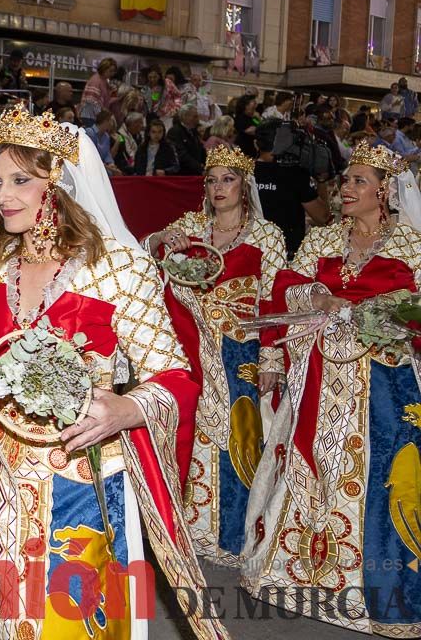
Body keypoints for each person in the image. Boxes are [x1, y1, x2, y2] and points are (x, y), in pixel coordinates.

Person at [0, 107, 227, 640]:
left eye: (20, 181)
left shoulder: (118, 266)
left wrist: (128, 407)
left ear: (61, 184)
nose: (2, 194)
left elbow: (174, 374)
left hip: (83, 477)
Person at [242, 142, 421, 635]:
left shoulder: (411, 245)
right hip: (317, 376)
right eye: (345, 181)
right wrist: (315, 295)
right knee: (308, 467)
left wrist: (368, 313)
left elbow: (416, 312)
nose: (345, 189)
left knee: (375, 474)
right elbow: (283, 289)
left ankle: (374, 590)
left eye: (358, 181)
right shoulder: (322, 239)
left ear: (384, 191)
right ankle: (299, 576)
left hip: (380, 384)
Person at [143, 147, 286, 565]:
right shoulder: (190, 227)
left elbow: (273, 300)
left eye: (228, 179)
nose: (218, 187)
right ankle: (183, 524)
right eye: (211, 180)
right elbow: (148, 248)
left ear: (245, 185)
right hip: (189, 344)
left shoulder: (267, 235)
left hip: (239, 347)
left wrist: (271, 358)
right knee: (185, 428)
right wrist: (160, 240)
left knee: (237, 433)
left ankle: (230, 533)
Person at [253, 120, 329, 258]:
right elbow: (322, 217)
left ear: (256, 144)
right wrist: (321, 180)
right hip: (286, 256)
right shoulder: (295, 174)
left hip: (249, 251)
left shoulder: (241, 174)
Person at [168, 106, 206, 175]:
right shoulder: (175, 132)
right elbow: (181, 155)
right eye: (195, 117)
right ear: (184, 117)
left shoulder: (193, 131)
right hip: (182, 174)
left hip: (195, 172)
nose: (198, 120)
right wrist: (199, 168)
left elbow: (201, 150)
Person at [80, 57, 117, 123]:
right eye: (110, 71)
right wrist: (104, 111)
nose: (112, 74)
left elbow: (105, 100)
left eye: (113, 71)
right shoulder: (95, 81)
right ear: (103, 69)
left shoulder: (105, 81)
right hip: (90, 116)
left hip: (96, 116)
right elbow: (90, 101)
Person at [85, 110, 122, 175]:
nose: (112, 124)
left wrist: (111, 164)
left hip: (102, 166)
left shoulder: (106, 136)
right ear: (105, 121)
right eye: (111, 121)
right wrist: (109, 168)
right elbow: (91, 158)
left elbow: (107, 155)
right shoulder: (89, 133)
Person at [233, 93, 260, 158]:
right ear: (246, 106)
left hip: (252, 150)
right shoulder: (240, 117)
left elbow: (259, 125)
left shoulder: (253, 118)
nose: (255, 105)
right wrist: (258, 128)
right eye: (253, 103)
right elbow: (249, 131)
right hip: (242, 150)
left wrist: (258, 119)